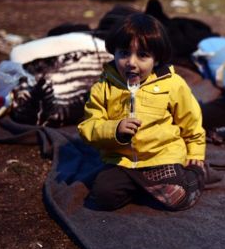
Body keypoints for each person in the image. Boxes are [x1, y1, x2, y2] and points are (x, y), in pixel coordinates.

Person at [78, 13, 211, 211]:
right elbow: (88, 127)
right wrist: (115, 129)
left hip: (162, 157)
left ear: (156, 60)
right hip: (122, 161)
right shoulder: (103, 87)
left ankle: (197, 175)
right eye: (124, 53)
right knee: (102, 197)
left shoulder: (172, 84)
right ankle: (145, 188)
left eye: (142, 55)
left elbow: (191, 121)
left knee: (178, 197)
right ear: (113, 52)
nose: (131, 62)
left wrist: (195, 152)